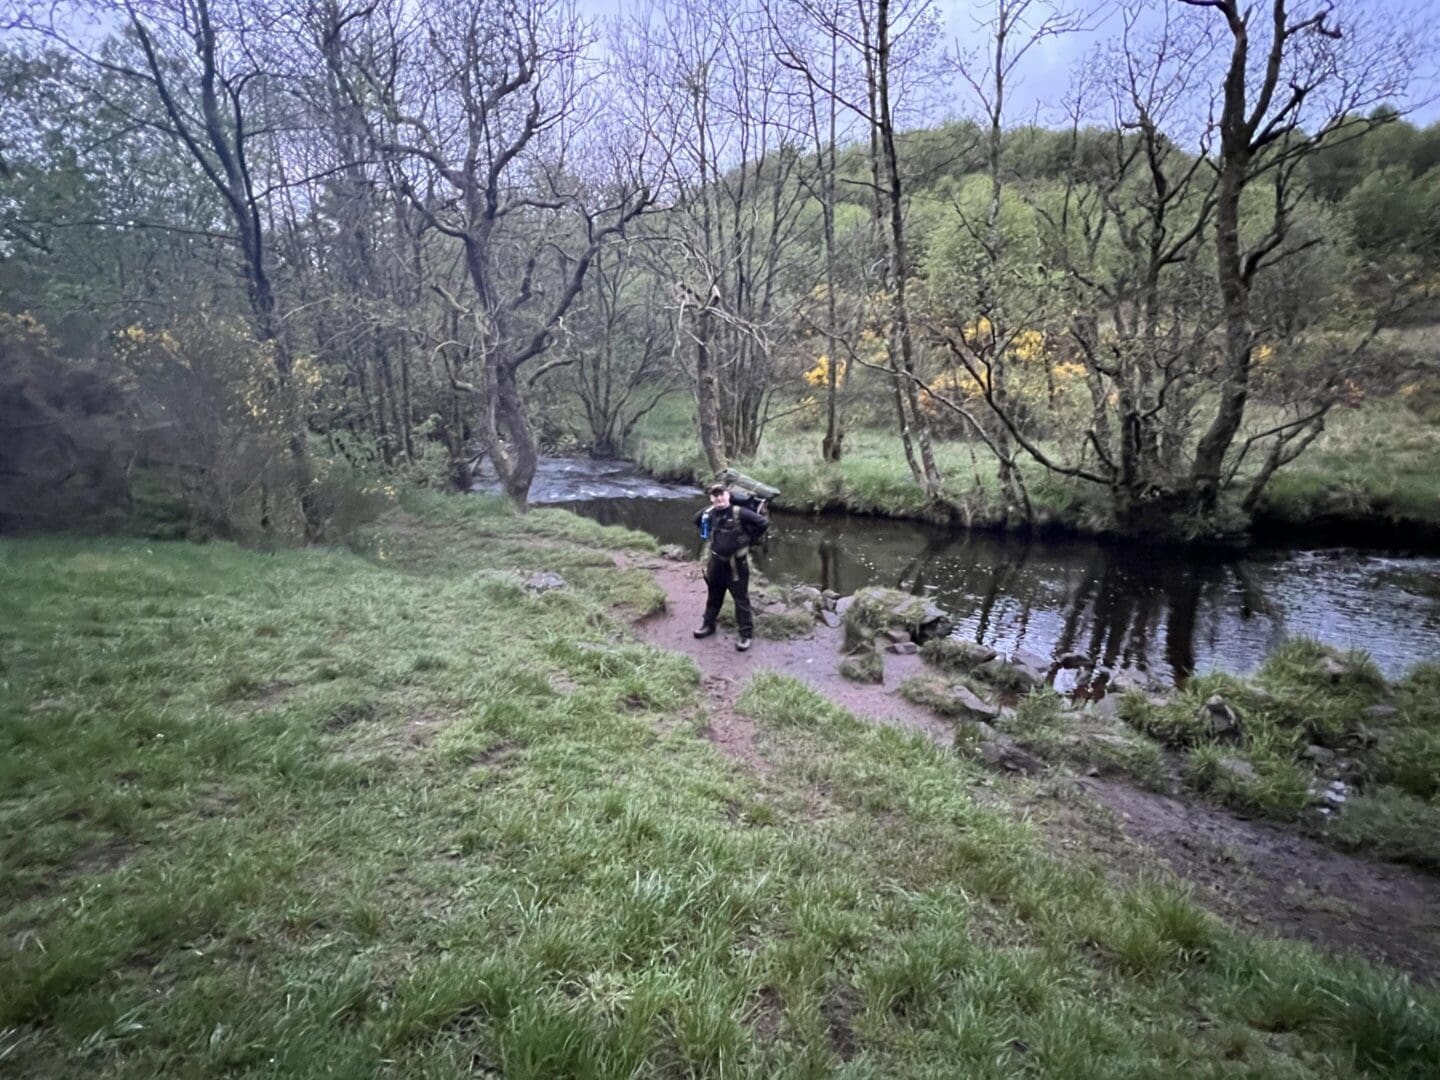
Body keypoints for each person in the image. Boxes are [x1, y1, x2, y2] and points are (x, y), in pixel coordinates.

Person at [693, 482, 768, 651]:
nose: (719, 498)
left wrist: (749, 538)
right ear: (711, 498)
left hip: (737, 566)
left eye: (722, 494)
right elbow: (695, 520)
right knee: (714, 596)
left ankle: (745, 635)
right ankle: (708, 625)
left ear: (728, 495)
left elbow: (763, 523)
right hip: (716, 564)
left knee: (741, 600)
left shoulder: (740, 512)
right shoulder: (708, 513)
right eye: (715, 495)